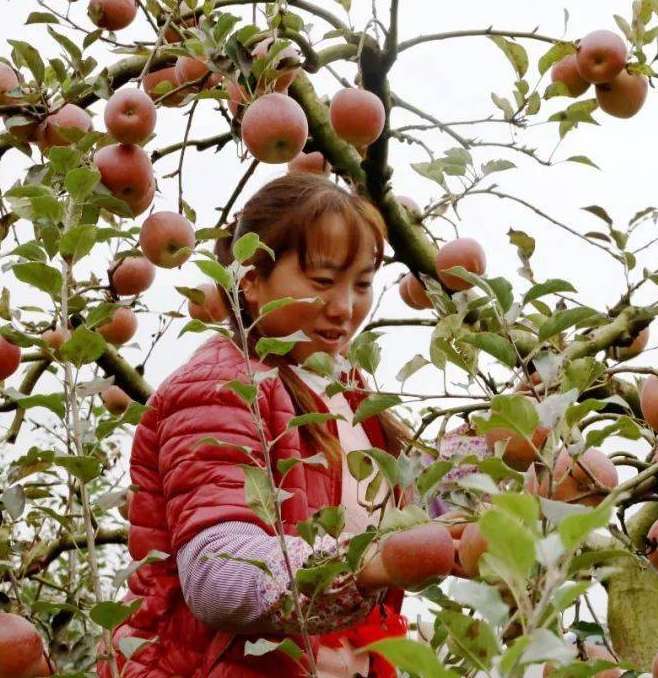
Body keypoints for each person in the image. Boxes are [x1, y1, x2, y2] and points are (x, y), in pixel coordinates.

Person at [99, 174, 452, 678]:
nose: (345, 308)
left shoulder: (351, 397)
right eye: (323, 280)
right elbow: (219, 576)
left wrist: (518, 442)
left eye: (362, 284)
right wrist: (373, 564)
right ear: (251, 278)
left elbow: (423, 512)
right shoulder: (220, 386)